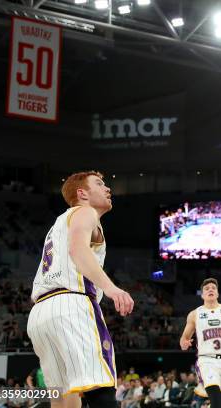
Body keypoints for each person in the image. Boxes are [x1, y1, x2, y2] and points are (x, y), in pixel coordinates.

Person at [27, 171, 134, 408]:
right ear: (82, 193)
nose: (107, 189)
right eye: (99, 184)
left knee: (64, 397)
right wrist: (111, 288)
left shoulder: (58, 223)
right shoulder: (86, 212)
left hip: (41, 315)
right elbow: (78, 250)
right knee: (100, 387)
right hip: (71, 305)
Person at [179, 278, 221, 408]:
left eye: (213, 288)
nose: (210, 290)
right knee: (217, 401)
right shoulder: (195, 314)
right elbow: (183, 339)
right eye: (207, 288)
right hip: (207, 361)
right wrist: (184, 343)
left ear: (218, 293)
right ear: (202, 295)